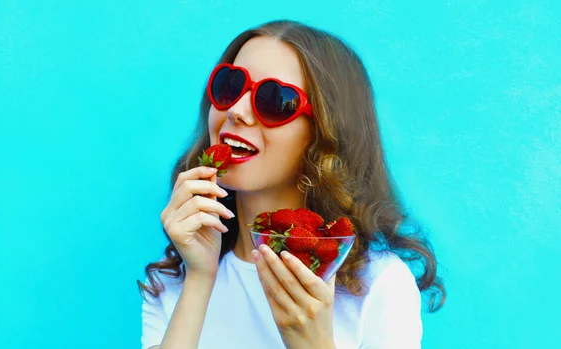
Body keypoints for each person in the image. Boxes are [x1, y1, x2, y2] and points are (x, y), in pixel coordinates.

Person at [138, 19, 445, 349]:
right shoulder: (173, 281)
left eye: (273, 100)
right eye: (230, 85)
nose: (236, 111)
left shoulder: (379, 284)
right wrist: (199, 279)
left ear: (325, 134)